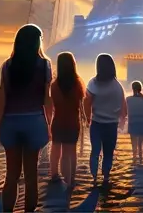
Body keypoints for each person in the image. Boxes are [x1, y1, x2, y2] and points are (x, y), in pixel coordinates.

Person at [0, 24, 52, 212]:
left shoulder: (7, 66)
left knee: (11, 174)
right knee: (31, 175)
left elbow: (2, 98)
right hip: (34, 121)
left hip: (11, 122)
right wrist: (49, 124)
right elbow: (47, 99)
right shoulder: (44, 65)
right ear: (37, 42)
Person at [84, 54, 127, 187]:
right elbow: (123, 106)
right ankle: (106, 177)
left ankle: (94, 177)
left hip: (96, 123)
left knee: (95, 151)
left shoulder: (93, 83)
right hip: (111, 125)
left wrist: (87, 118)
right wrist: (122, 119)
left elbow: (87, 102)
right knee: (108, 151)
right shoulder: (117, 86)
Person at [49, 52, 85, 187]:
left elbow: (53, 104)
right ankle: (70, 178)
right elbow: (80, 103)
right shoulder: (78, 84)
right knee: (70, 151)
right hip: (72, 121)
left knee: (56, 149)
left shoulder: (54, 85)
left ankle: (54, 174)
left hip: (58, 120)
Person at [127, 81, 143, 166]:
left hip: (133, 122)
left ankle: (135, 160)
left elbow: (126, 112)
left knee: (134, 144)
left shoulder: (128, 99)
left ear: (132, 89)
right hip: (142, 122)